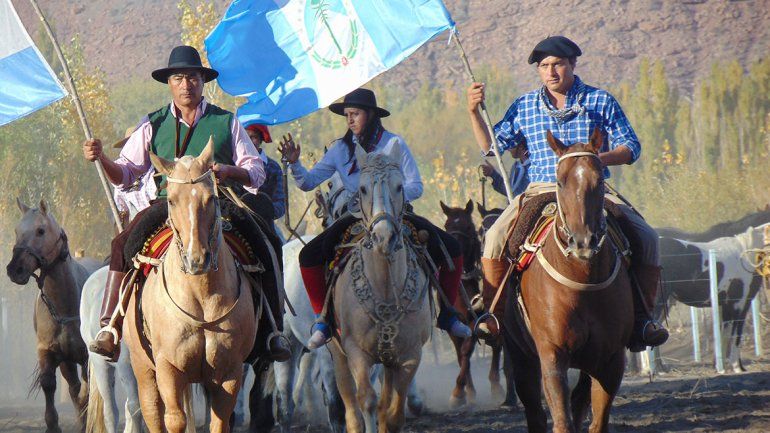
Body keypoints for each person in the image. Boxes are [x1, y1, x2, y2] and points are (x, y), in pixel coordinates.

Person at [82, 45, 290, 362]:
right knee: (121, 243)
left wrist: (228, 170)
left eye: (192, 77)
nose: (185, 84)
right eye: (178, 77)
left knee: (268, 241)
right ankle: (110, 326)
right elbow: (125, 174)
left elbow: (256, 173)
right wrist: (103, 159)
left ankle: (275, 330)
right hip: (168, 204)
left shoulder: (226, 122)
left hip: (218, 203)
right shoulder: (153, 123)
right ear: (169, 82)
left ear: (202, 81)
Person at [466, 36, 668, 351]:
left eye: (558, 64)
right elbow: (491, 147)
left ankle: (643, 319)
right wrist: (474, 112)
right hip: (542, 189)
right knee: (493, 238)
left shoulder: (600, 100)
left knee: (648, 238)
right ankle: (494, 318)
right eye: (544, 66)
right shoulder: (524, 105)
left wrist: (599, 161)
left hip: (592, 191)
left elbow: (632, 147)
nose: (551, 71)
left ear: (572, 64)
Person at [278, 88, 472, 349]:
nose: (350, 120)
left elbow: (416, 185)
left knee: (452, 248)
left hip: (396, 214)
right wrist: (294, 164)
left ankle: (447, 315)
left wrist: (394, 195)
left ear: (370, 115)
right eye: (347, 115)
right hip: (355, 215)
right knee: (309, 255)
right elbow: (308, 182)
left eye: (355, 114)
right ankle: (323, 320)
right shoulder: (339, 150)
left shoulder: (394, 144)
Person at [244, 122, 285, 221]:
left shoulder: (273, 168)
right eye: (245, 137)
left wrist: (266, 211)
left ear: (261, 140)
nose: (249, 142)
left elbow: (281, 203)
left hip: (264, 222)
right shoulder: (231, 164)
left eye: (253, 137)